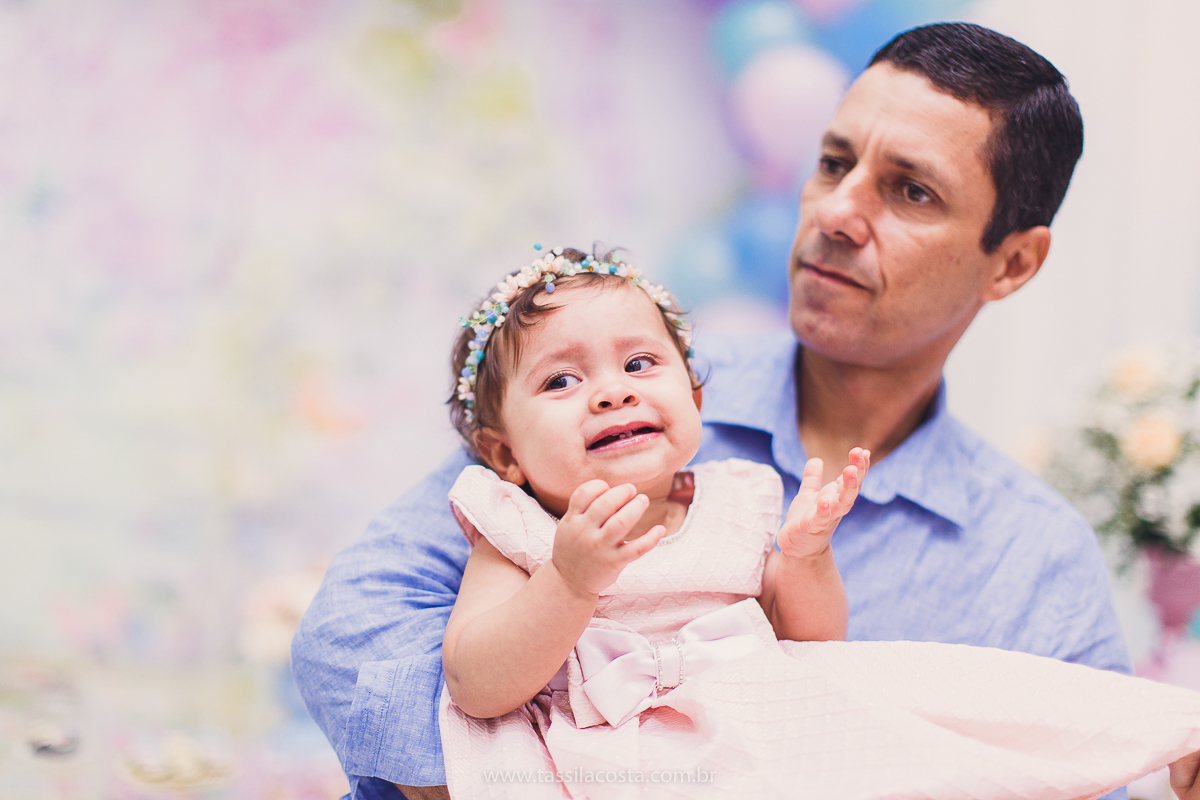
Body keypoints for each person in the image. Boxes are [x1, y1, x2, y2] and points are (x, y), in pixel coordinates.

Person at [288, 22, 1180, 800]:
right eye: (834, 162)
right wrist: (539, 773)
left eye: (910, 190)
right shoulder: (605, 418)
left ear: (1013, 263)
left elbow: (1074, 774)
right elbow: (348, 638)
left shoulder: (1035, 566)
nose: (836, 211)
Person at [435, 247, 1200, 800]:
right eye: (562, 380)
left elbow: (812, 646)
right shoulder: (524, 531)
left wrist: (804, 560)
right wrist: (569, 582)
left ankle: (1164, 729)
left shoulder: (734, 502)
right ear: (504, 454)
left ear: (697, 401)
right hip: (617, 764)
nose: (611, 393)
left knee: (947, 712)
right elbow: (475, 683)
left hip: (764, 744)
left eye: (639, 365)